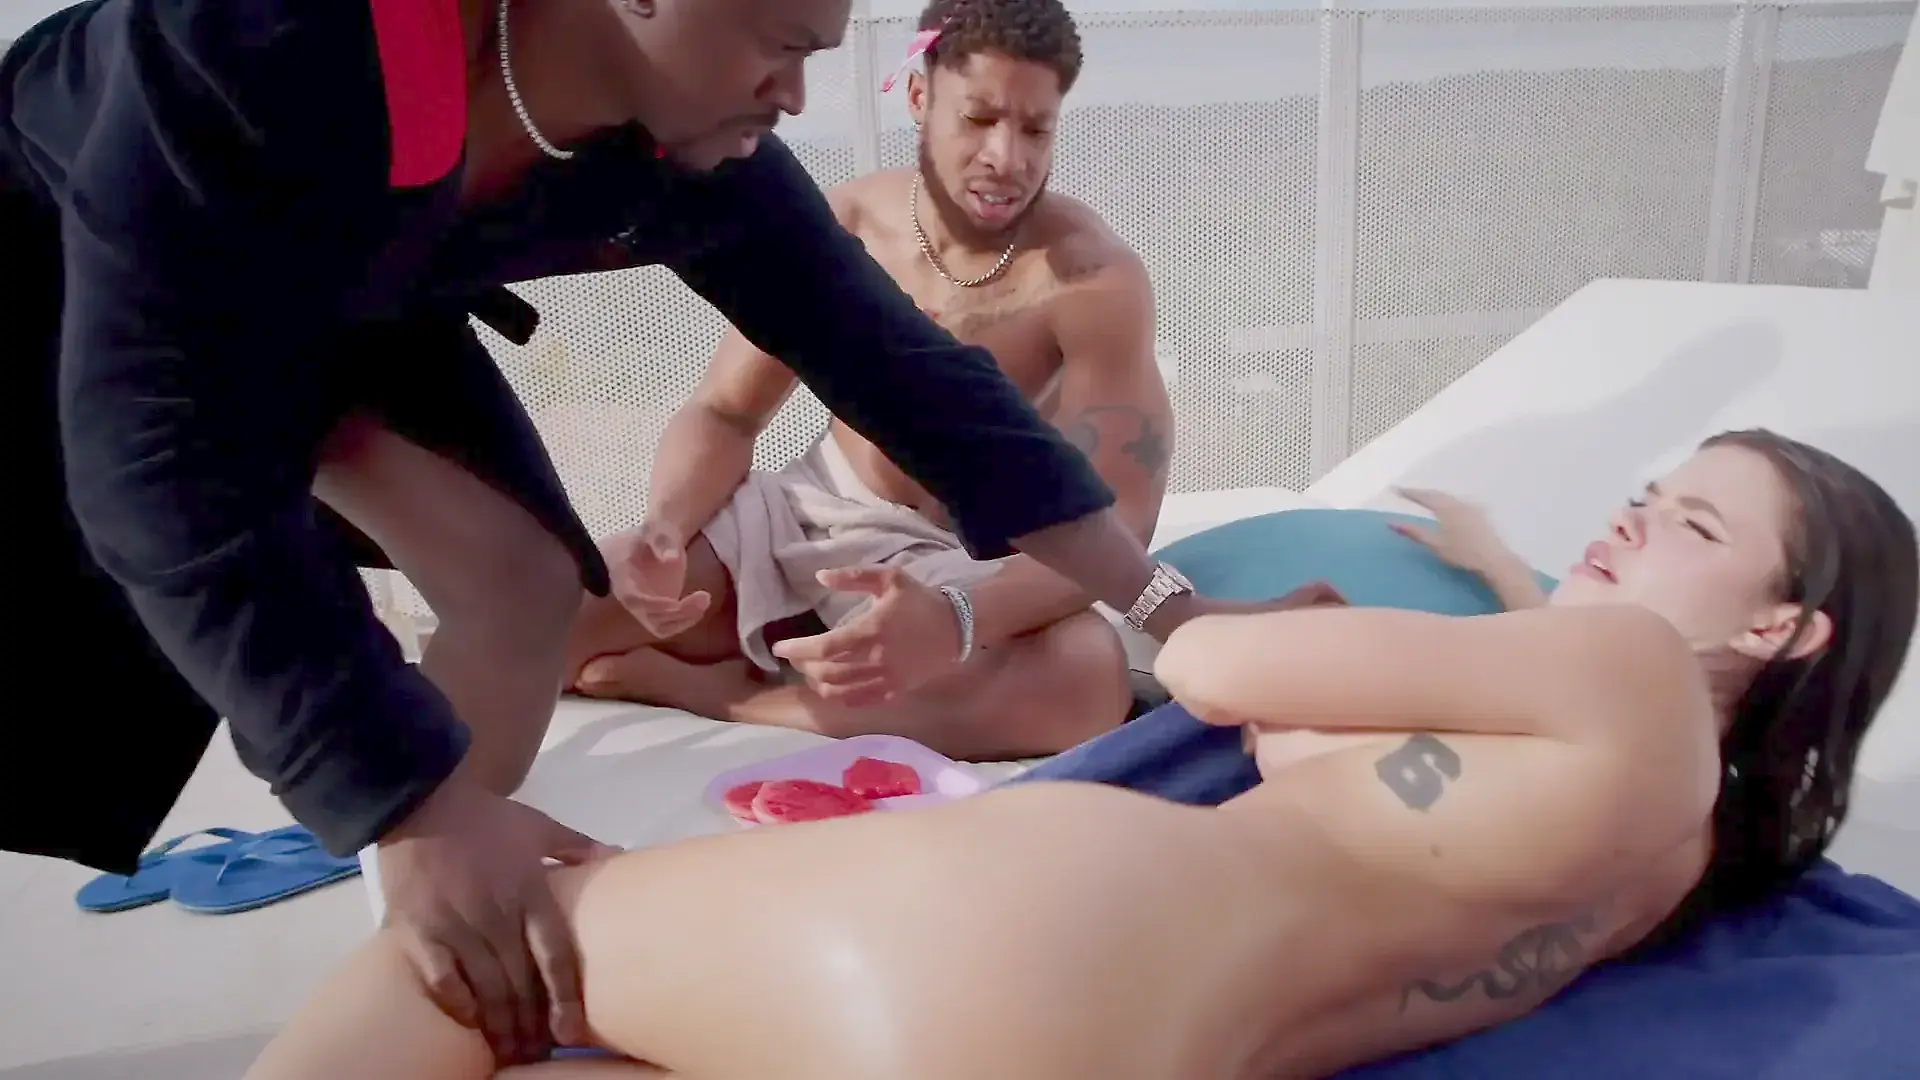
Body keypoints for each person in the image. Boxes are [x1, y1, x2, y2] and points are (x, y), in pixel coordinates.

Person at [0, 0, 1297, 1065]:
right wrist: (406, 801)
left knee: (522, 587)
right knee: (81, 677)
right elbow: (151, 458)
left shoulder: (697, 153)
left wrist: (1175, 611)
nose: (797, 93)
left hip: (360, 281)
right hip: (86, 269)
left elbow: (906, 374)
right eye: (779, 45)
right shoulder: (264, 43)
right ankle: (434, 876)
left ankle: (435, 971)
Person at [237, 428, 1918, 1080]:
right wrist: (1496, 573)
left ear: (1785, 627)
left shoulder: (1610, 662)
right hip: (1148, 1043)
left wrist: (1229, 622)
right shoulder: (1680, 847)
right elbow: (1390, 757)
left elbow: (1229, 672)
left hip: (1035, 932)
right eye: (1642, 492)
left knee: (479, 950)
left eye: (1691, 522)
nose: (1630, 520)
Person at [563, 0, 1172, 759]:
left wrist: (957, 619)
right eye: (979, 118)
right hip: (807, 516)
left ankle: (730, 695)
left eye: (1035, 129)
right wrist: (664, 528)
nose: (1007, 157)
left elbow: (1122, 527)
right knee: (557, 620)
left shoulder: (1091, 279)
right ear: (919, 96)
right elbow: (725, 412)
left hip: (960, 560)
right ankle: (788, 653)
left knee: (1082, 680)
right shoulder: (845, 222)